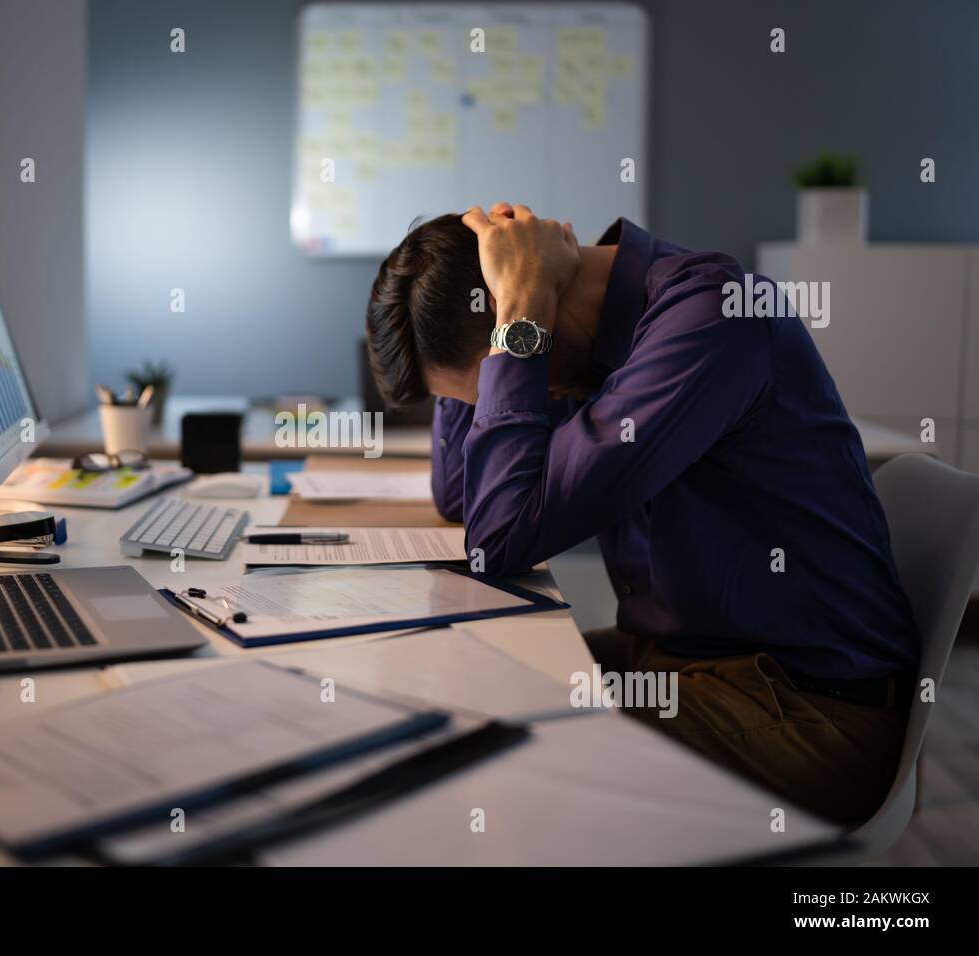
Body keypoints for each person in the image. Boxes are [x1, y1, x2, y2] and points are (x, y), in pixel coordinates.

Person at [364, 203, 919, 824]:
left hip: (803, 709)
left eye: (513, 372)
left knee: (491, 772)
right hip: (675, 662)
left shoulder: (712, 319)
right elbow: (461, 493)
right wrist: (500, 300)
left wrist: (516, 317)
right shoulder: (578, 341)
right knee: (443, 688)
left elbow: (499, 541)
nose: (521, 387)